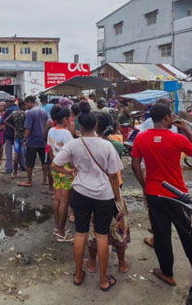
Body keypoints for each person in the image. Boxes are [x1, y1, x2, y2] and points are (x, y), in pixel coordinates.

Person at [130, 103, 192, 287]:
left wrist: (145, 185)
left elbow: (135, 165)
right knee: (186, 232)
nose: (172, 119)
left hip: (154, 193)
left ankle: (167, 273)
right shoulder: (177, 138)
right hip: (176, 193)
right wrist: (187, 130)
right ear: (165, 119)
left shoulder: (141, 138)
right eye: (171, 116)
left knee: (161, 235)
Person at [52, 111, 124, 291]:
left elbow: (55, 165)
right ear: (96, 125)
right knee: (102, 235)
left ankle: (78, 275)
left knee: (80, 234)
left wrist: (71, 172)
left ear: (80, 127)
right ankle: (103, 280)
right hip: (104, 195)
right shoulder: (107, 146)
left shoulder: (73, 144)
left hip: (81, 192)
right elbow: (114, 175)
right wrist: (117, 197)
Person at [85, 111, 131, 274]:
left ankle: (91, 262)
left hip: (93, 192)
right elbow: (113, 174)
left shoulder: (85, 144)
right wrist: (118, 199)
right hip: (113, 191)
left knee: (94, 228)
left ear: (95, 126)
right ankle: (122, 263)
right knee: (119, 228)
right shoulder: (116, 145)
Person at [48, 107, 75, 242]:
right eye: (69, 117)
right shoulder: (66, 134)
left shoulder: (51, 130)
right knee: (64, 201)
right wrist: (74, 169)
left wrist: (54, 163)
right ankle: (61, 232)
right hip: (65, 169)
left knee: (57, 199)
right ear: (64, 119)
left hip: (56, 167)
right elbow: (71, 155)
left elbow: (51, 151)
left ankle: (58, 227)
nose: (70, 120)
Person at [20, 95, 49, 188]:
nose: (26, 106)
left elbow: (27, 128)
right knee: (45, 161)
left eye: (26, 104)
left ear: (29, 102)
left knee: (30, 162)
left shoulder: (30, 113)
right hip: (44, 140)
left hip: (32, 140)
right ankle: (45, 179)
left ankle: (29, 181)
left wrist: (24, 139)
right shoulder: (43, 111)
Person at [2, 99, 25, 175]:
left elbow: (4, 121)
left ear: (10, 102)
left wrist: (12, 127)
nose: (6, 103)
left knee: (8, 151)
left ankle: (9, 168)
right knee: (19, 150)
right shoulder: (23, 112)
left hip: (9, 133)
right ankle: (23, 165)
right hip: (19, 134)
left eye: (6, 102)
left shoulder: (9, 111)